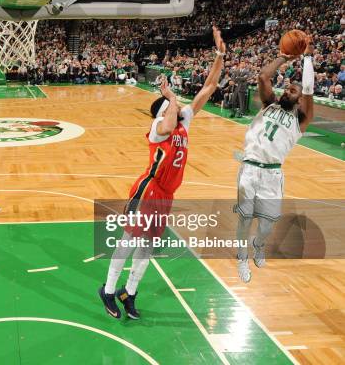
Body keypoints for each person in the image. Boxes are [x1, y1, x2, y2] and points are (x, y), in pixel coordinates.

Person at [99, 26, 226, 320]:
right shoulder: (159, 130)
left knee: (147, 248)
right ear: (164, 109)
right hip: (148, 190)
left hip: (166, 195)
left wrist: (220, 54)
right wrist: (169, 97)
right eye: (172, 104)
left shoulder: (183, 122)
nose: (179, 104)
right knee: (129, 242)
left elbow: (209, 87)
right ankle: (107, 289)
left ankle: (129, 293)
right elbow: (168, 122)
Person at [235, 40, 315, 283]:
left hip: (272, 175)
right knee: (245, 218)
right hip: (249, 169)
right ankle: (241, 258)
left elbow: (309, 90)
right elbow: (263, 77)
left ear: (300, 100)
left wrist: (308, 59)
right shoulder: (270, 104)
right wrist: (283, 57)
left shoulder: (301, 120)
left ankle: (258, 244)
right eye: (286, 88)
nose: (286, 91)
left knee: (268, 224)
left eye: (292, 91)